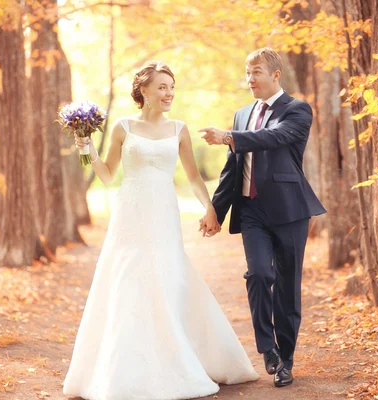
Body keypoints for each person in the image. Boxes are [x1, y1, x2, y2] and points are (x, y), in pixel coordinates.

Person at [63, 61, 258, 400]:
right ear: (144, 92)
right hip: (130, 213)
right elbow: (107, 175)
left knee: (167, 278)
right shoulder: (123, 127)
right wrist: (85, 147)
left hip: (163, 211)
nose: (169, 94)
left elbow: (195, 177)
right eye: (162, 87)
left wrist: (209, 207)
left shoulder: (179, 129)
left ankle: (176, 356)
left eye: (171, 87)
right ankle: (123, 367)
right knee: (126, 279)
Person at [199, 47, 326, 388]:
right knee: (258, 273)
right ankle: (267, 347)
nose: (249, 78)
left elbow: (275, 137)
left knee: (287, 288)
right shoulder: (241, 114)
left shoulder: (297, 110)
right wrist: (216, 210)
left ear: (275, 75)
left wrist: (228, 137)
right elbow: (233, 169)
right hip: (251, 209)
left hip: (289, 211)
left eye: (255, 71)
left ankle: (286, 359)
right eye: (246, 72)